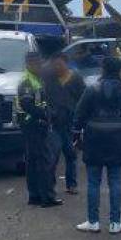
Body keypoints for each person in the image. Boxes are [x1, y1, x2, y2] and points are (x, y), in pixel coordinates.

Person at [74, 56, 121, 234]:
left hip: (94, 140)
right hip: (118, 141)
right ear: (119, 70)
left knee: (93, 182)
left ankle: (93, 221)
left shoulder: (92, 89)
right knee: (115, 181)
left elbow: (80, 114)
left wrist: (76, 135)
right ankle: (115, 223)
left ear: (103, 69)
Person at [16, 51, 62, 207]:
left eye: (40, 63)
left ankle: (35, 196)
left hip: (34, 125)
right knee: (44, 162)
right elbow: (27, 105)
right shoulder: (27, 82)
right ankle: (47, 197)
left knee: (34, 161)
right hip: (33, 125)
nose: (40, 66)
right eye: (37, 64)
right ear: (29, 64)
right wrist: (46, 115)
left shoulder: (36, 79)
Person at [44, 53, 86, 195]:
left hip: (70, 124)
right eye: (54, 65)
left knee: (71, 155)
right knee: (52, 156)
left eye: (60, 64)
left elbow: (83, 100)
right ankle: (50, 185)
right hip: (54, 124)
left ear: (66, 63)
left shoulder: (76, 79)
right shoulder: (49, 79)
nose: (57, 67)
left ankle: (71, 184)